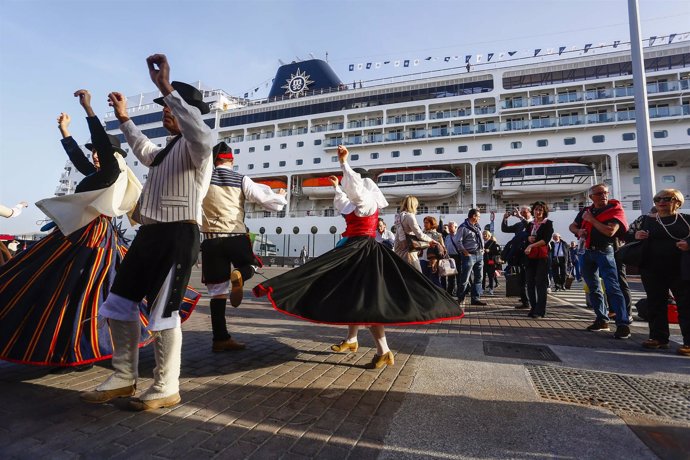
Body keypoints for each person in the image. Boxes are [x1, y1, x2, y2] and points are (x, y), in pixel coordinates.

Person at [0, 89, 178, 369]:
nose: (95, 156)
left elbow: (103, 149)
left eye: (98, 152)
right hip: (79, 234)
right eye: (93, 152)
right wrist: (64, 132)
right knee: (57, 284)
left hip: (92, 239)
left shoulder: (110, 172)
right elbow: (80, 160)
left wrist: (90, 111)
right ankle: (73, 344)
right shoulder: (96, 173)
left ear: (111, 156)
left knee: (83, 289)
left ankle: (84, 345)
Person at [81, 54, 214, 411]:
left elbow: (200, 132)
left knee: (163, 314)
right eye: (164, 107)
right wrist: (124, 118)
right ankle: (124, 376)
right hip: (150, 235)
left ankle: (167, 385)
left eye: (171, 108)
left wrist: (166, 87)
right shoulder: (168, 149)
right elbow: (143, 149)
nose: (165, 111)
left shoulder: (198, 147)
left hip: (178, 235)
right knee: (118, 304)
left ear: (189, 110)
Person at [253, 146, 462, 370]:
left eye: (347, 182)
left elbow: (354, 191)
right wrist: (336, 186)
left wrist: (344, 164)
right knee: (354, 296)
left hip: (361, 251)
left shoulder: (365, 201)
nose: (345, 185)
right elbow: (345, 199)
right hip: (354, 249)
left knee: (366, 300)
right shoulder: (356, 202)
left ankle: (384, 351)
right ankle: (353, 341)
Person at [200, 141, 287, 352]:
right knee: (253, 265)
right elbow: (266, 201)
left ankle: (220, 339)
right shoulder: (240, 179)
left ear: (213, 160)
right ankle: (240, 273)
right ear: (232, 160)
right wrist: (280, 198)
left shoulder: (201, 179)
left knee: (217, 292)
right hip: (235, 235)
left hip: (210, 239)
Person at [625, 189, 689, 356]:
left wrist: (688, 244)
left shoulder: (686, 220)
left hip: (680, 268)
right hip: (652, 268)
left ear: (677, 201)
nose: (661, 201)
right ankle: (658, 338)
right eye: (658, 198)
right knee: (655, 303)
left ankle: (688, 342)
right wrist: (636, 235)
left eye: (667, 198)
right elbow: (627, 235)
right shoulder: (644, 220)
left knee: (686, 305)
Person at [569, 183, 631, 339]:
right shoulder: (586, 210)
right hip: (586, 251)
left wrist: (592, 220)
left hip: (604, 250)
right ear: (591, 197)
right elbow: (572, 226)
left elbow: (610, 232)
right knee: (593, 287)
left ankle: (622, 323)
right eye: (599, 193)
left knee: (612, 286)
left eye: (605, 193)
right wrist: (578, 231)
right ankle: (601, 319)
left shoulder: (613, 210)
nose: (604, 195)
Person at [524, 201, 554, 318]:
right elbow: (525, 237)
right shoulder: (530, 224)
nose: (538, 212)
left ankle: (540, 310)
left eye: (540, 210)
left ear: (544, 211)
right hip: (530, 257)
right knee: (530, 282)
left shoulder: (548, 224)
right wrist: (528, 237)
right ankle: (533, 307)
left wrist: (531, 245)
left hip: (542, 256)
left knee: (541, 283)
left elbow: (545, 240)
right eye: (536, 209)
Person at [394, 196, 437, 271]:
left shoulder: (399, 216)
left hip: (399, 246)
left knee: (402, 271)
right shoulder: (409, 216)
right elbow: (419, 234)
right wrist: (431, 240)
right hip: (408, 248)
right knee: (417, 272)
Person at [501, 205, 532, 309]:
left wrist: (520, 217)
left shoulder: (534, 223)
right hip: (519, 254)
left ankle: (532, 301)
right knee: (521, 279)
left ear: (530, 212)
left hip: (530, 254)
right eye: (521, 212)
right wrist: (505, 218)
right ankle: (525, 301)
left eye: (524, 212)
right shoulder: (519, 225)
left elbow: (529, 228)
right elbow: (505, 229)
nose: (521, 213)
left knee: (531, 279)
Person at [454, 209, 486, 306]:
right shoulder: (463, 227)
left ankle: (475, 298)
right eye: (478, 216)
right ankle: (461, 298)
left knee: (479, 277)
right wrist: (465, 252)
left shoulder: (477, 227)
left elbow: (480, 239)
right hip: (469, 255)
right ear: (473, 216)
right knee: (465, 278)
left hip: (479, 255)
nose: (479, 218)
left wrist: (483, 250)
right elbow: (458, 241)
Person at [420, 215, 446, 287]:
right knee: (424, 279)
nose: (425, 224)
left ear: (432, 224)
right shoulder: (422, 234)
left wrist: (436, 259)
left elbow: (443, 248)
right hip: (422, 259)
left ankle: (440, 295)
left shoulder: (438, 235)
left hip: (433, 261)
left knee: (435, 280)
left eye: (427, 223)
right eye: (424, 222)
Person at [444, 221, 462, 296]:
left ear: (455, 227)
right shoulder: (447, 237)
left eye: (451, 226)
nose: (449, 228)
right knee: (450, 275)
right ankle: (450, 292)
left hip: (458, 257)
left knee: (459, 276)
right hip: (449, 257)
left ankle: (459, 292)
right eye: (448, 227)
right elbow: (445, 246)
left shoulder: (459, 236)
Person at [482, 231, 501, 295]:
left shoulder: (493, 242)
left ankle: (491, 289)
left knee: (491, 276)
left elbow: (497, 252)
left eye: (485, 235)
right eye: (483, 235)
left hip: (490, 261)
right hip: (483, 261)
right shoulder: (481, 242)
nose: (484, 236)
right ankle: (482, 288)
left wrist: (489, 251)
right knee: (482, 276)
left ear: (489, 236)